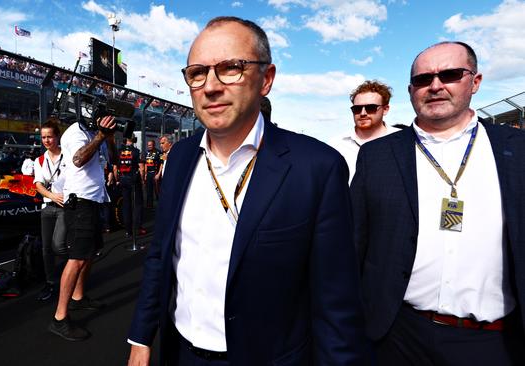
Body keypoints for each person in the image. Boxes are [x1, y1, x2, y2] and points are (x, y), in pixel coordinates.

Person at [128, 16, 366, 366]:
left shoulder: (316, 168)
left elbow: (336, 301)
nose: (210, 86)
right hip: (178, 354)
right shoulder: (179, 157)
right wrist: (141, 337)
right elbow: (161, 256)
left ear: (266, 79)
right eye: (197, 73)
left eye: (230, 68)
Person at [351, 41, 525, 365]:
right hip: (397, 337)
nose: (435, 86)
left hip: (492, 342)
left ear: (475, 81)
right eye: (423, 79)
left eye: (450, 74)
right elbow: (354, 245)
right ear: (410, 90)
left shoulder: (516, 151)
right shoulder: (378, 156)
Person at [48, 116, 116, 341]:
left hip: (93, 200)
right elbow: (78, 159)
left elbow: (112, 159)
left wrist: (109, 138)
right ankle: (59, 318)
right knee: (77, 258)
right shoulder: (76, 132)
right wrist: (100, 136)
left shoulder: (92, 133)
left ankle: (78, 297)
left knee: (89, 253)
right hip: (80, 202)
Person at [330, 80, 399, 183]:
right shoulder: (336, 145)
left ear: (385, 109)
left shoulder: (402, 141)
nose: (363, 113)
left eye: (370, 108)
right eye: (357, 109)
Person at [34, 120, 67, 302]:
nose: (46, 140)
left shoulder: (68, 156)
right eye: (43, 137)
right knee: (47, 248)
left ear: (57, 137)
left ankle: (74, 269)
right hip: (48, 206)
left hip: (64, 207)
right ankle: (50, 282)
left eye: (49, 136)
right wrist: (52, 196)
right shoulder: (39, 160)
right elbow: (38, 184)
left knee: (59, 245)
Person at [115, 137, 145, 236]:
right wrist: (142, 180)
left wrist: (117, 180)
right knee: (138, 204)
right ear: (134, 140)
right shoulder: (136, 151)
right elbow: (142, 168)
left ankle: (128, 230)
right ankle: (138, 227)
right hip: (134, 180)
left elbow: (115, 168)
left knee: (126, 205)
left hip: (123, 180)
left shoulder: (119, 151)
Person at [143, 140, 161, 209]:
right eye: (148, 145)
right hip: (148, 174)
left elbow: (161, 164)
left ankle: (160, 205)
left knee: (157, 190)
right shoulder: (146, 153)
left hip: (155, 173)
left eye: (151, 145)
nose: (149, 146)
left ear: (154, 145)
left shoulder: (158, 152)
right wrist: (145, 174)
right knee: (148, 190)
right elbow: (145, 164)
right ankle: (149, 205)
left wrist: (159, 174)